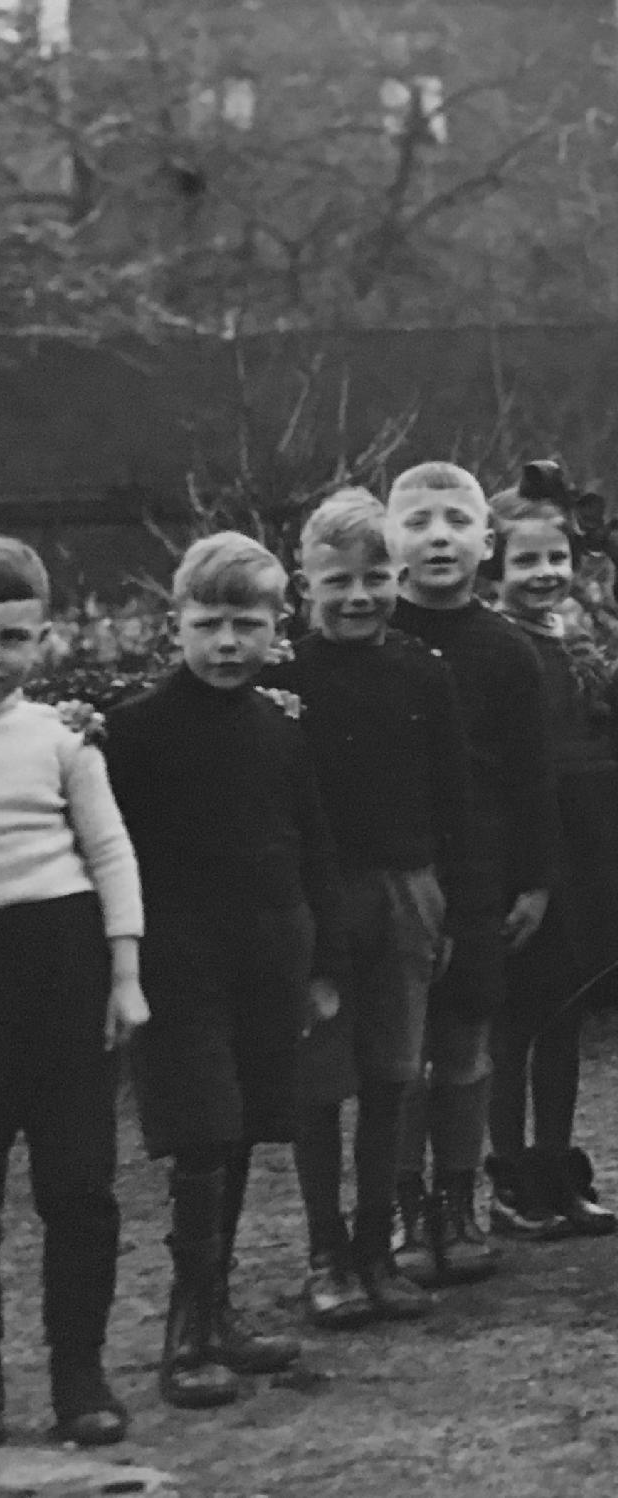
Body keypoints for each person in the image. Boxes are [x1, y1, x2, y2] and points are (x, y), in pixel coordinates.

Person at [0, 535, 148, 1452]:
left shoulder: (60, 738)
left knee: (79, 1189)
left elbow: (110, 851)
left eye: (13, 638)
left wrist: (125, 975)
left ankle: (80, 1374)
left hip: (67, 974)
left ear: (42, 640)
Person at [103, 531, 347, 1409]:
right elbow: (111, 856)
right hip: (178, 964)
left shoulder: (279, 729)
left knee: (241, 1129)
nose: (228, 643)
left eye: (248, 624)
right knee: (202, 1134)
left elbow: (312, 844)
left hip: (266, 957)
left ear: (278, 626)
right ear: (177, 623)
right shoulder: (134, 730)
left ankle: (218, 1314)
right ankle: (184, 1335)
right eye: (208, 624)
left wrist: (323, 965)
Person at [289, 488, 493, 1319]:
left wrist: (459, 909)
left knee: (392, 1074)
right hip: (317, 899)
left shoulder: (421, 671)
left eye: (375, 578)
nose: (358, 596)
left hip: (408, 891)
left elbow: (456, 800)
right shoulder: (283, 675)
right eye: (338, 580)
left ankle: (377, 1247)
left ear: (398, 576)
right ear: (306, 580)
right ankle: (325, 1254)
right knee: (317, 1083)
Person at [385, 462, 558, 1274]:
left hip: (481, 876)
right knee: (396, 1054)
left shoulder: (507, 649)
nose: (439, 538)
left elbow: (532, 775)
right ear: (390, 538)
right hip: (394, 873)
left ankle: (458, 1206)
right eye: (418, 522)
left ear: (487, 541)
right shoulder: (371, 635)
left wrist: (536, 879)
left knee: (464, 1042)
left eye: (457, 521)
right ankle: (401, 1209)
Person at [485, 479, 617, 1235]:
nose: (545, 573)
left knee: (565, 1013)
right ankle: (510, 1180)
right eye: (526, 560)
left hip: (588, 846)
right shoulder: (500, 648)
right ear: (495, 567)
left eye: (557, 557)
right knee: (513, 1021)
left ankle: (558, 1167)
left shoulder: (578, 640)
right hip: (528, 850)